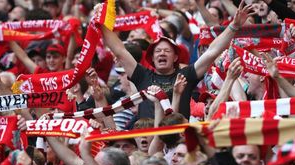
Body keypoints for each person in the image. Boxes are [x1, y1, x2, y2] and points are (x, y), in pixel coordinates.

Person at [101, 0, 255, 119]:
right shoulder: (142, 75)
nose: (162, 53)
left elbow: (212, 51)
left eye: (167, 51)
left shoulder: (185, 75)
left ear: (175, 57)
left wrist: (234, 26)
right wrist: (101, 24)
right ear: (152, 58)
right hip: (147, 143)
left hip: (179, 143)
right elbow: (120, 51)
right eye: (158, 51)